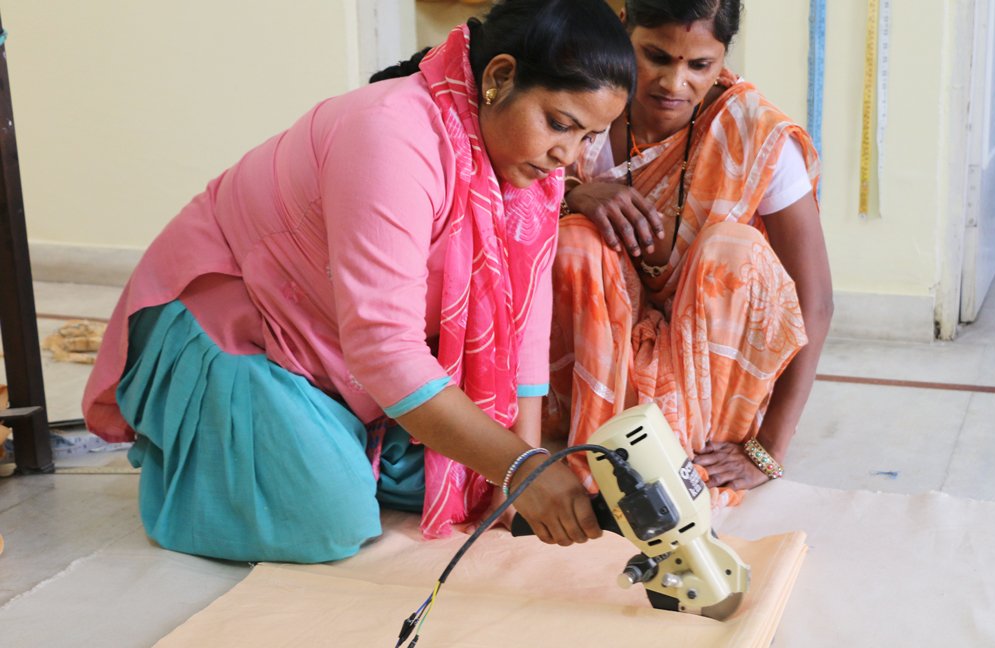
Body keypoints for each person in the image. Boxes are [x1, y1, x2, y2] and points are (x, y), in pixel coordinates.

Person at [82, 0, 634, 563]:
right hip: (237, 328)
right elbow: (385, 350)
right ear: (499, 78)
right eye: (560, 123)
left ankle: (326, 438)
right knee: (330, 521)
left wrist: (523, 460)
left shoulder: (529, 171)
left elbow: (525, 323)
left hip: (338, 353)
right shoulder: (392, 133)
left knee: (471, 483)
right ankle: (191, 451)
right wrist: (521, 469)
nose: (568, 155)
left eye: (589, 136)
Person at [548, 0, 833, 506]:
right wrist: (573, 193)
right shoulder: (584, 103)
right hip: (605, 341)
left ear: (723, 56)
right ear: (623, 30)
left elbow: (815, 302)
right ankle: (596, 438)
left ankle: (689, 452)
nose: (673, 84)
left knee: (733, 248)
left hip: (708, 351)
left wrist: (768, 450)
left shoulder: (754, 134)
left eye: (700, 65)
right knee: (570, 236)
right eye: (655, 56)